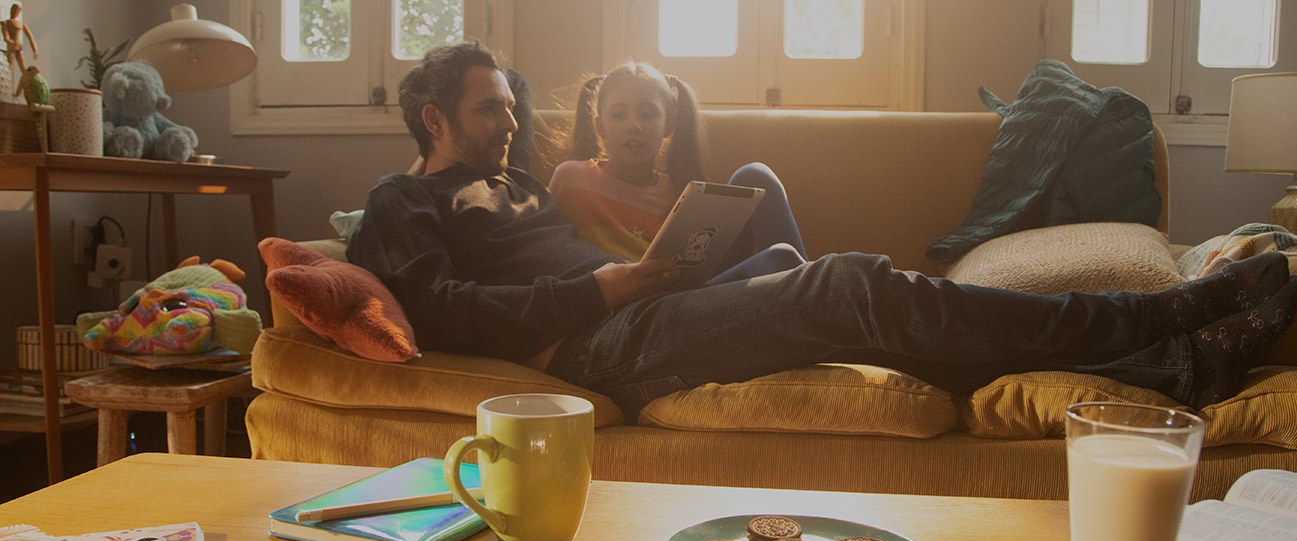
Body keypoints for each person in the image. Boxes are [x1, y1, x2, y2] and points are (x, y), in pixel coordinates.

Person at [347, 42, 1297, 419]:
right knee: (848, 284)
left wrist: (660, 261)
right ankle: (1150, 320)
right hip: (604, 343)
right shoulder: (406, 201)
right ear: (433, 119)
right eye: (488, 110)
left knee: (878, 315)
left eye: (510, 107)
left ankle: (1177, 371)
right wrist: (598, 290)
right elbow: (440, 311)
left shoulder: (515, 189)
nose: (509, 122)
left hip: (646, 306)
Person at [548, 62, 807, 285]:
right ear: (599, 126)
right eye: (618, 115)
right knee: (780, 257)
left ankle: (820, 297)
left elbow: (697, 266)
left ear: (669, 124)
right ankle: (824, 300)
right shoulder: (572, 179)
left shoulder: (680, 191)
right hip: (635, 310)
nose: (633, 126)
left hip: (685, 292)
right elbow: (546, 251)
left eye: (647, 114)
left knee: (754, 176)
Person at [2, 2, 36, 89]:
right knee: (9, 68)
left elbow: (30, 37)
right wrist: (11, 43)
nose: (15, 12)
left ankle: (22, 92)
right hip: (11, 47)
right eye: (14, 10)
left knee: (24, 71)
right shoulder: (6, 23)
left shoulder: (21, 24)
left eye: (17, 11)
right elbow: (6, 37)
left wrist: (35, 49)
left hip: (18, 47)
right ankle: (6, 90)